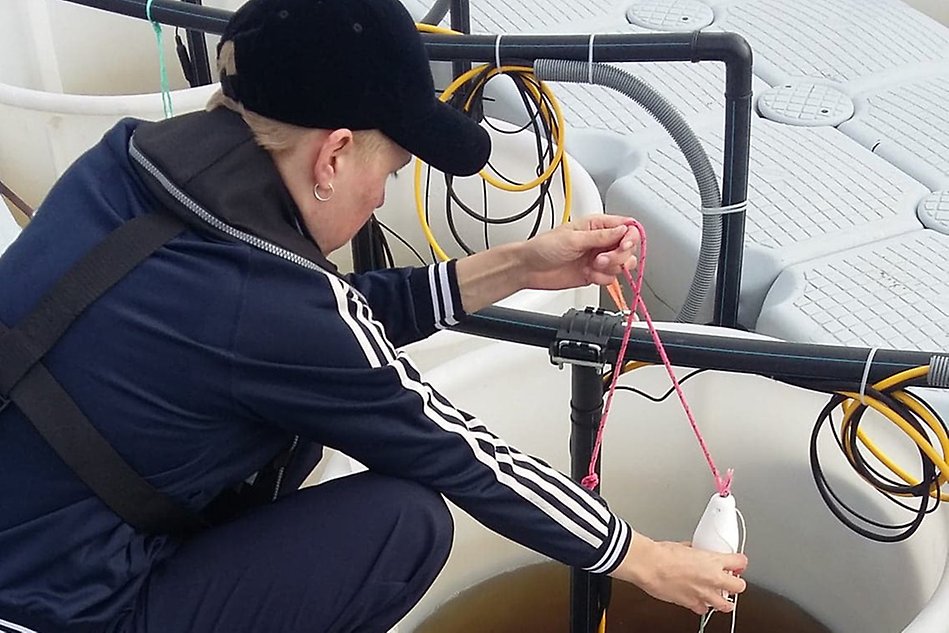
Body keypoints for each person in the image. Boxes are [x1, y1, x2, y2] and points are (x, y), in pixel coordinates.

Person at [0, 0, 747, 631]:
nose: (384, 198)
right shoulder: (276, 306)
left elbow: (313, 329)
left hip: (31, 528)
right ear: (332, 156)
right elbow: (461, 453)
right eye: (388, 172)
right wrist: (645, 557)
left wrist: (518, 265)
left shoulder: (127, 165)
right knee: (403, 524)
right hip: (56, 606)